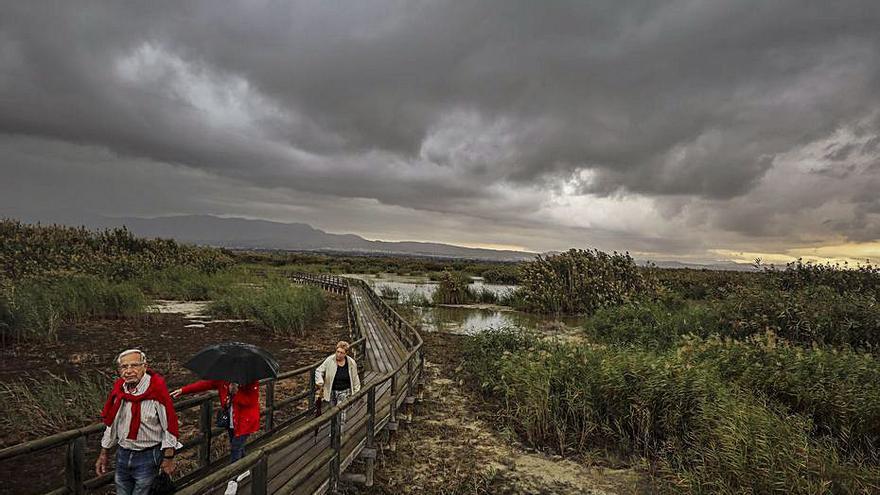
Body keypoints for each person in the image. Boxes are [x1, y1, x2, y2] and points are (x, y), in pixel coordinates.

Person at [95, 349, 181, 495]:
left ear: (145, 367)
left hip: (148, 455)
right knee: (122, 491)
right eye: (124, 367)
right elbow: (112, 424)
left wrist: (168, 457)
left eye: (134, 365)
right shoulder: (119, 390)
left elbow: (170, 426)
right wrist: (104, 452)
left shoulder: (156, 391)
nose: (128, 371)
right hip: (123, 453)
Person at [171, 380, 259, 463]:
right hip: (231, 420)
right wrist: (183, 390)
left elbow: (251, 401)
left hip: (246, 421)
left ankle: (235, 474)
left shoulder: (251, 382)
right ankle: (244, 467)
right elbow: (205, 384)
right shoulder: (223, 380)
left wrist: (236, 393)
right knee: (237, 444)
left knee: (236, 446)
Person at [315, 341, 361, 427]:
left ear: (346, 353)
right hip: (331, 391)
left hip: (344, 391)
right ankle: (333, 433)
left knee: (341, 414)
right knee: (332, 413)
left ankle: (339, 436)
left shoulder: (351, 363)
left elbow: (355, 378)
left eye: (342, 353)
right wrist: (319, 381)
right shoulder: (330, 360)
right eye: (338, 352)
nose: (339, 354)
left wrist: (356, 392)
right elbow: (318, 370)